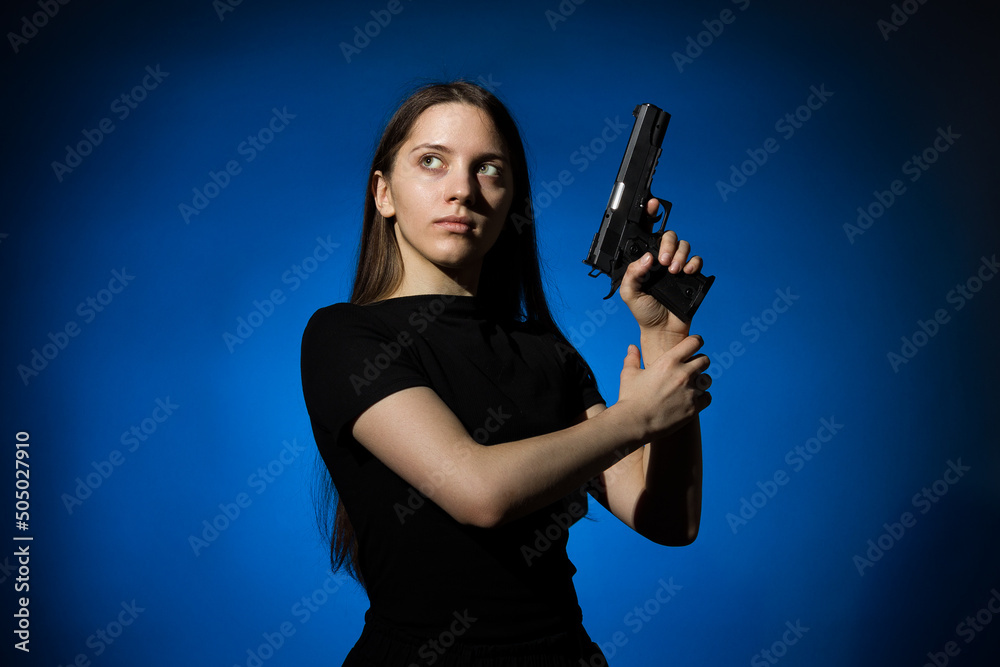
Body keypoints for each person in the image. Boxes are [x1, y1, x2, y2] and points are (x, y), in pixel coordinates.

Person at [300, 80, 711, 666]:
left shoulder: (545, 350)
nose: (462, 190)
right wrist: (632, 420)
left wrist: (664, 335)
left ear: (513, 200)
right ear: (383, 192)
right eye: (432, 162)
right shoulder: (344, 336)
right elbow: (478, 492)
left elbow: (670, 519)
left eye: (489, 169)